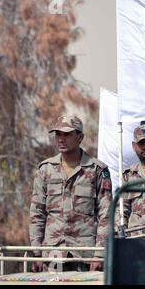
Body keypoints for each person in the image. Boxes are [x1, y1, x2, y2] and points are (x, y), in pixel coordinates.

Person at [29, 115, 112, 272]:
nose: (61, 139)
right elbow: (37, 213)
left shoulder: (97, 170)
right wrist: (36, 252)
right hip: (53, 253)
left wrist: (99, 254)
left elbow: (106, 215)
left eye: (67, 134)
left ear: (80, 137)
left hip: (84, 255)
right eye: (58, 134)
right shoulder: (45, 170)